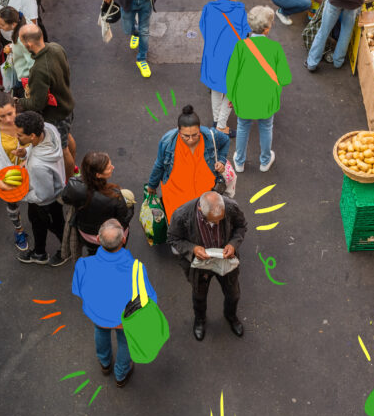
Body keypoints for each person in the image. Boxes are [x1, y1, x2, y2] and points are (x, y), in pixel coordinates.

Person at [73, 219, 157, 387]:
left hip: (98, 314)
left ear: (97, 239)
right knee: (126, 342)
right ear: (123, 240)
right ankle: (121, 374)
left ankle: (104, 363)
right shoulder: (136, 268)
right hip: (124, 319)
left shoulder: (84, 264)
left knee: (101, 332)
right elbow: (149, 299)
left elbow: (79, 290)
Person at [168, 191, 246, 341]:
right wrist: (193, 249)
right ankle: (200, 320)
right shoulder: (182, 215)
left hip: (226, 261)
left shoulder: (230, 207)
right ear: (200, 210)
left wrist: (233, 244)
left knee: (233, 294)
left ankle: (230, 316)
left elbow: (241, 227)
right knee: (199, 296)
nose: (217, 224)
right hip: (200, 266)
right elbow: (173, 238)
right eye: (212, 221)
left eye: (220, 220)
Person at [227, 5, 291, 173]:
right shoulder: (275, 49)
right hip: (267, 99)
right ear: (266, 29)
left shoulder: (240, 47)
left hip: (244, 97)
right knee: (266, 127)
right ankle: (265, 161)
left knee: (242, 127)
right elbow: (285, 78)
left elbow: (231, 76)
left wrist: (232, 98)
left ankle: (239, 162)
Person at [147, 105, 228, 222]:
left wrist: (221, 160)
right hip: (176, 193)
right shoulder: (167, 141)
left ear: (200, 129)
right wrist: (152, 185)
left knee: (203, 222)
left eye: (195, 135)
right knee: (178, 223)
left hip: (204, 192)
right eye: (186, 136)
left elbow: (225, 141)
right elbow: (159, 165)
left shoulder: (210, 136)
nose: (190, 139)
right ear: (178, 130)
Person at [16, 24, 77, 179]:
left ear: (28, 44)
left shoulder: (39, 69)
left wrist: (19, 102)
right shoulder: (56, 48)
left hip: (56, 115)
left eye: (23, 43)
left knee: (62, 149)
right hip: (67, 105)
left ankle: (68, 182)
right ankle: (74, 168)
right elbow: (66, 73)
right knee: (68, 136)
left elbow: (37, 103)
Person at [199, 0, 250, 137]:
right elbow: (244, 34)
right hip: (233, 56)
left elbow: (203, 28)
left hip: (213, 55)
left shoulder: (208, 8)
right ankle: (221, 126)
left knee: (216, 87)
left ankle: (216, 121)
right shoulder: (239, 10)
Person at [14, 110, 66, 266]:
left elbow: (43, 195)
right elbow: (36, 148)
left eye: (20, 135)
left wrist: (21, 196)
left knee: (49, 225)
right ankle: (44, 251)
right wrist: (26, 152)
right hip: (57, 188)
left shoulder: (38, 165)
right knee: (49, 223)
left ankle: (57, 251)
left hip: (44, 202)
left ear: (32, 136)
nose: (17, 137)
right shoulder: (49, 129)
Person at [62, 151, 134, 255]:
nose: (113, 167)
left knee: (92, 252)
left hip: (86, 234)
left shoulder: (74, 185)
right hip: (108, 237)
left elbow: (65, 198)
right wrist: (130, 206)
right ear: (98, 175)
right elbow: (124, 219)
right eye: (109, 167)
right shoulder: (115, 197)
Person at [0, 92, 29, 252]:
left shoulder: (25, 121)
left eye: (10, 114)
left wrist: (26, 156)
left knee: (34, 202)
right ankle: (19, 231)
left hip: (27, 169)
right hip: (6, 173)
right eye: (2, 116)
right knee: (12, 205)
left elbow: (35, 143)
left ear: (15, 108)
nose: (8, 119)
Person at [0, 6, 33, 92]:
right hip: (22, 72)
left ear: (13, 25)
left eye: (2, 25)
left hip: (25, 77)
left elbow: (32, 62)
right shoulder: (22, 21)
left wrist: (29, 84)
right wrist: (12, 46)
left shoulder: (22, 39)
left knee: (20, 93)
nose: (0, 27)